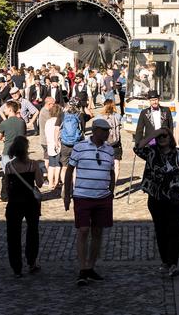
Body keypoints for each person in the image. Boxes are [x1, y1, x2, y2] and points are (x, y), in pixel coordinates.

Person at [135, 126, 179, 278]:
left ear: (171, 138)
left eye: (165, 136)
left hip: (177, 198)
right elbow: (138, 147)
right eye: (160, 137)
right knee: (161, 230)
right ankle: (165, 262)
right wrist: (155, 132)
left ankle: (173, 263)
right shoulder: (151, 153)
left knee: (174, 230)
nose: (162, 139)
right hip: (157, 198)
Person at [63, 118, 115, 286]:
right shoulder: (80, 147)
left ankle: (90, 267)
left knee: (98, 232)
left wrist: (111, 192)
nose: (108, 133)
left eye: (108, 130)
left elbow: (112, 172)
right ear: (95, 131)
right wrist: (67, 194)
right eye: (105, 131)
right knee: (84, 230)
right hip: (82, 195)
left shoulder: (109, 150)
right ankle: (83, 267)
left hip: (103, 197)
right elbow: (70, 170)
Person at [5, 135, 45, 277]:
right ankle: (31, 262)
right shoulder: (33, 164)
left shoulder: (9, 166)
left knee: (13, 235)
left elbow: (6, 188)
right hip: (30, 203)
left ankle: (16, 268)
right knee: (32, 232)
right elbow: (39, 183)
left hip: (14, 203)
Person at [0, 101, 27, 202]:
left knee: (7, 175)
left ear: (10, 109)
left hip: (8, 151)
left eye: (5, 108)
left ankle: (6, 195)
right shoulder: (22, 122)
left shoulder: (4, 123)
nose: (4, 110)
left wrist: (4, 138)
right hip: (20, 152)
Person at [57, 100, 86, 184]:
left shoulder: (63, 114)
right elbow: (83, 130)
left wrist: (56, 141)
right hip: (77, 143)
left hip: (65, 143)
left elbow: (57, 128)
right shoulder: (80, 115)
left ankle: (64, 185)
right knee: (76, 166)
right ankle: (74, 185)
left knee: (64, 166)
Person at [97, 99, 123, 182]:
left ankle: (105, 182)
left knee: (104, 164)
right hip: (116, 144)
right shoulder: (118, 116)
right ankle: (113, 184)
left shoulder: (100, 117)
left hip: (104, 144)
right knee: (116, 165)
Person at [44, 103, 63, 190]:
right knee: (58, 165)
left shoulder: (48, 121)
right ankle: (56, 182)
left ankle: (50, 183)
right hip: (58, 144)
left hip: (50, 144)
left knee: (51, 165)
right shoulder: (59, 121)